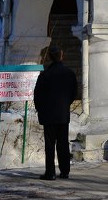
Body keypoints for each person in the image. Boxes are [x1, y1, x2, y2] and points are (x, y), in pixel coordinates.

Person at [33, 45, 78, 180]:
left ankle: (50, 172)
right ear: (62, 55)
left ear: (49, 57)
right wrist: (64, 105)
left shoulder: (45, 75)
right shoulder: (69, 73)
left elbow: (38, 96)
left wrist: (41, 109)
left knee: (50, 145)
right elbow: (74, 93)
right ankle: (65, 171)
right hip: (63, 114)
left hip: (48, 115)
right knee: (63, 143)